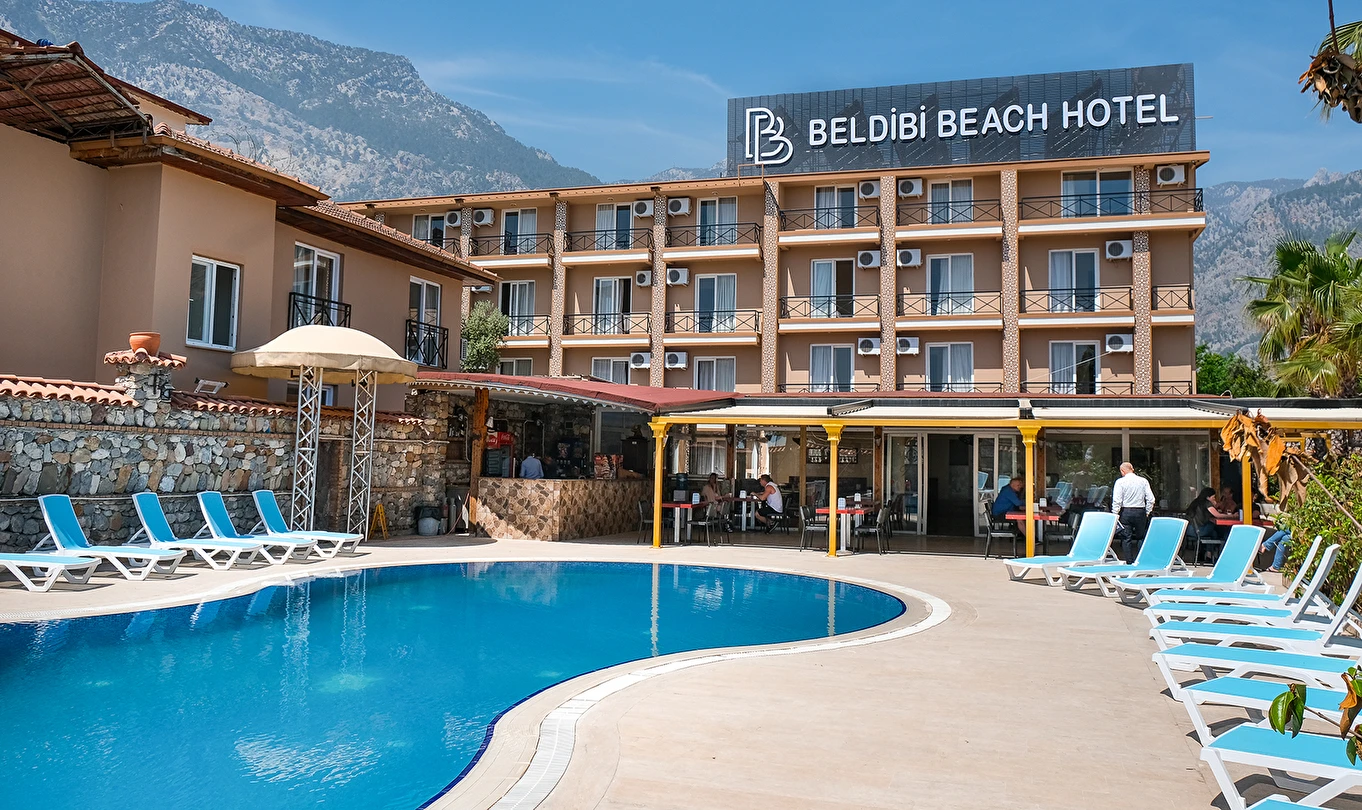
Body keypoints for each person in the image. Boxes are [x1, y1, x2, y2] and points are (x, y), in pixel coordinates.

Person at [1110, 462, 1154, 564]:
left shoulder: (1120, 482)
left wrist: (1115, 514)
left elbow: (1117, 500)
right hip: (1140, 511)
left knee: (1126, 538)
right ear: (1132, 469)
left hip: (1126, 511)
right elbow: (1151, 499)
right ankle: (1142, 560)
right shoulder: (1143, 481)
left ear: (1122, 471)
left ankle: (1129, 561)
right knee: (1141, 537)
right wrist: (1147, 512)